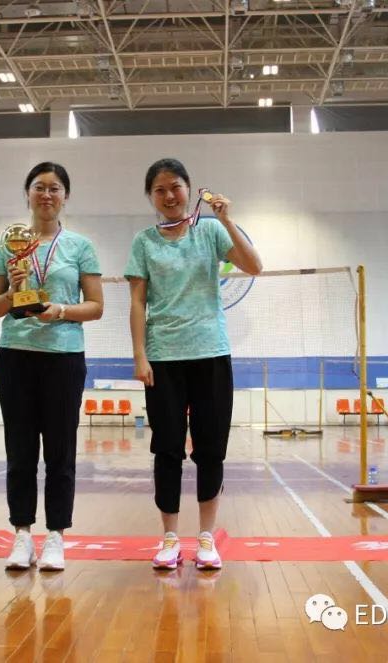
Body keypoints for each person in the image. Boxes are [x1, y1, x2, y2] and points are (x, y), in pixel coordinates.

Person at [124, 158, 262, 571]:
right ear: (151, 196)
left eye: (176, 187)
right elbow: (137, 302)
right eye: (160, 189)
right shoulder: (143, 242)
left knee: (211, 449)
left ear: (189, 189)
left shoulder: (212, 231)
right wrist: (139, 355)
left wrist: (228, 220)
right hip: (163, 359)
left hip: (211, 355)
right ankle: (169, 538)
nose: (169, 195)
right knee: (167, 449)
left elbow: (254, 266)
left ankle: (206, 538)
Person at [0, 162, 104, 572]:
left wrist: (61, 310)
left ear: (65, 196)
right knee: (19, 451)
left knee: (60, 451)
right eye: (39, 187)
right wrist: (14, 289)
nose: (47, 195)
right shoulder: (8, 245)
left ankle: (56, 536)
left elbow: (96, 306)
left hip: (63, 359)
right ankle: (22, 535)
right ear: (28, 193)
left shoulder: (80, 247)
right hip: (15, 356)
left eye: (55, 188)